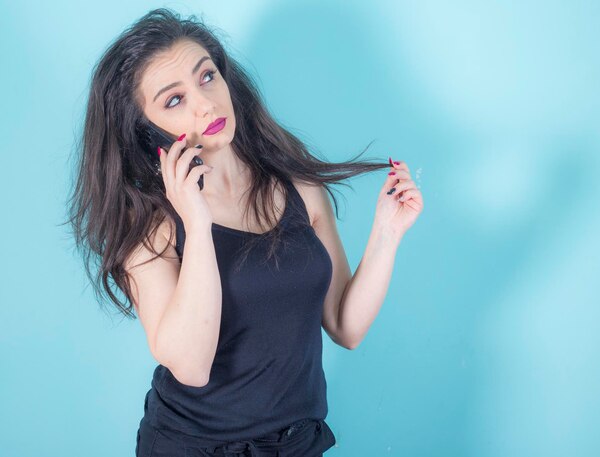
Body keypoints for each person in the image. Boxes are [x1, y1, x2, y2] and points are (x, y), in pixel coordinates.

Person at [66, 7, 423, 457]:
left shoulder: (298, 188)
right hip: (193, 448)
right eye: (174, 100)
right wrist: (196, 224)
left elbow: (344, 326)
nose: (205, 103)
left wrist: (387, 233)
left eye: (207, 77)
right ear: (147, 129)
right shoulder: (151, 233)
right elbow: (192, 367)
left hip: (296, 442)